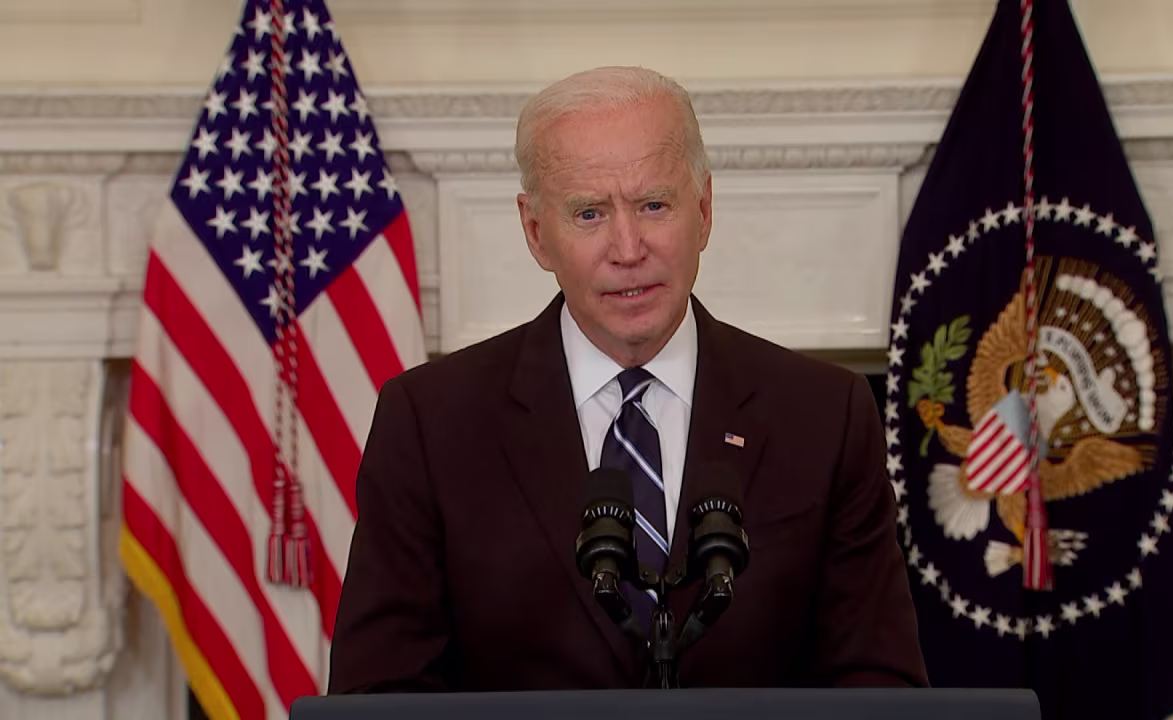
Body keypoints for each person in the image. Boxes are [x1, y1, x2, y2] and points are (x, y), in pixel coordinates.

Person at [327, 66, 928, 692]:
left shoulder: (825, 415)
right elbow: (380, 697)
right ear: (536, 233)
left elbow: (879, 687)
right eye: (589, 213)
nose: (628, 247)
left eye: (654, 205)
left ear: (703, 208)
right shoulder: (430, 423)